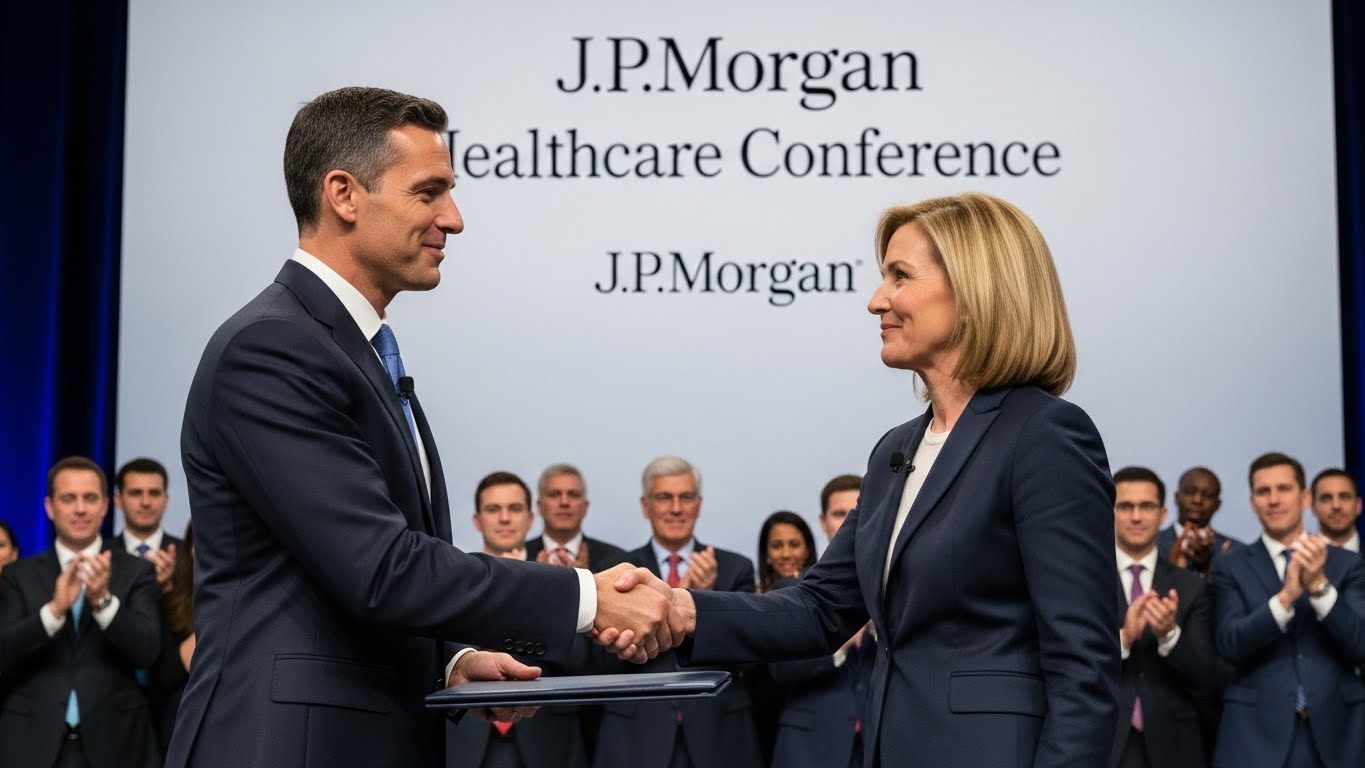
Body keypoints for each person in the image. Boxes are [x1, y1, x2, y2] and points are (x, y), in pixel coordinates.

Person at [169, 86, 678, 768]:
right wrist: (588, 597)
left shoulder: (348, 348)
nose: (454, 218)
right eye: (429, 192)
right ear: (344, 195)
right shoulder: (271, 349)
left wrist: (452, 659)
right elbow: (380, 567)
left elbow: (339, 581)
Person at [610, 192, 1120, 766]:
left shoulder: (1044, 435)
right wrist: (682, 609)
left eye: (900, 276)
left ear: (977, 290)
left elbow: (1086, 668)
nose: (878, 300)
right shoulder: (895, 451)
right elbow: (821, 608)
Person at [594, 455, 763, 768]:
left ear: (698, 505)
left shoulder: (735, 568)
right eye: (664, 498)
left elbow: (747, 660)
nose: (675, 508)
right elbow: (604, 657)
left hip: (717, 735)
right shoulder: (617, 571)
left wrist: (706, 602)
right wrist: (672, 606)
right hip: (637, 735)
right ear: (646, 506)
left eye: (685, 498)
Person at [0, 456, 162, 768]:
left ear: (105, 506)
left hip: (116, 741)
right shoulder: (18, 575)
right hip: (30, 741)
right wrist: (54, 611)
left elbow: (147, 651)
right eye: (68, 498)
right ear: (50, 507)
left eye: (90, 498)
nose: (80, 509)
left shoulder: (137, 571)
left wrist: (102, 601)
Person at [1209, 452, 1365, 768]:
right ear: (1253, 503)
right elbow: (1229, 644)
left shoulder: (1346, 563)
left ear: (1305, 497)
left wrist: (1320, 588)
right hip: (1254, 736)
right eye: (1263, 492)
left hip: (1337, 734)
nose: (1274, 500)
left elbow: (1361, 645)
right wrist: (1286, 598)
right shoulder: (1230, 566)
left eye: (1284, 489)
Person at [448, 472, 591, 768]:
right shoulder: (451, 578)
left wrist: (557, 603)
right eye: (493, 509)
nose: (504, 519)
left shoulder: (558, 582)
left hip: (548, 739)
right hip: (467, 737)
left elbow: (582, 662)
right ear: (477, 521)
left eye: (514, 509)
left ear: (530, 518)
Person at [1107, 466, 1219, 768]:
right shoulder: (1088, 581)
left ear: (1163, 513)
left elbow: (1208, 675)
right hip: (1104, 739)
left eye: (1147, 506)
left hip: (1176, 744)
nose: (1136, 516)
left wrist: (1170, 635)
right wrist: (1123, 638)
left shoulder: (1190, 585)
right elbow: (1070, 661)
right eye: (1125, 506)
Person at [768, 474, 874, 768]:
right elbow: (781, 671)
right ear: (822, 521)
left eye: (859, 511)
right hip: (810, 747)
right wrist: (840, 641)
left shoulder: (899, 583)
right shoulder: (792, 590)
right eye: (840, 514)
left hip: (882, 743)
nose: (849, 522)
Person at [113, 457, 184, 757]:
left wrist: (169, 592)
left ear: (166, 500)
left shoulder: (189, 556)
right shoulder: (100, 557)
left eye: (154, 493)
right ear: (118, 500)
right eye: (135, 493)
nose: (145, 502)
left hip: (173, 705)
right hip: (112, 702)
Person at [525, 463, 628, 571]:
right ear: (539, 506)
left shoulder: (616, 561)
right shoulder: (519, 560)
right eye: (555, 494)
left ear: (585, 507)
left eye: (573, 494)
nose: (564, 502)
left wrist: (587, 579)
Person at [1157, 467, 1242, 576]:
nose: (1197, 500)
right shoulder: (1152, 545)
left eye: (1208, 495)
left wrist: (1209, 567)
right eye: (1190, 492)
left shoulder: (1235, 551)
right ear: (1177, 497)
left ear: (1218, 504)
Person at [756, 510, 817, 593]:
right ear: (766, 553)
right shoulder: (752, 597)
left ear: (807, 550)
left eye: (794, 545)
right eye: (776, 546)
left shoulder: (826, 590)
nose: (786, 554)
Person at [1309, 468, 1361, 554]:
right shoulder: (1297, 560)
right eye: (1326, 498)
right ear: (1313, 508)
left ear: (1358, 506)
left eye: (1344, 497)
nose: (1336, 506)